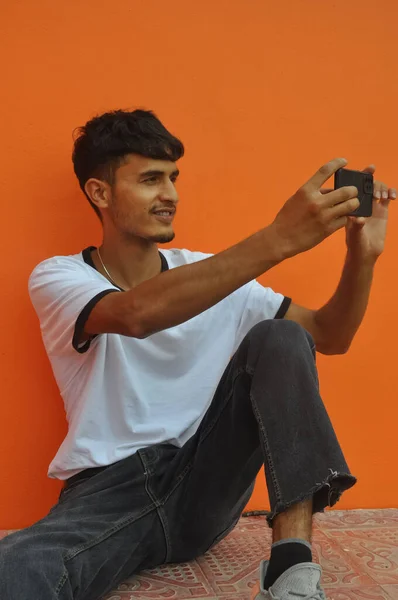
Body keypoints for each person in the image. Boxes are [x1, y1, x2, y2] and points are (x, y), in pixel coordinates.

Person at [0, 109, 395, 600]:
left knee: (282, 339)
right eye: (150, 179)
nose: (170, 195)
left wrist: (363, 258)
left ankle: (292, 571)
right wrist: (280, 238)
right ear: (99, 193)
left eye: (172, 178)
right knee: (17, 565)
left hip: (203, 483)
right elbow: (136, 315)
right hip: (108, 492)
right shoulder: (60, 277)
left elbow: (328, 336)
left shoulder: (214, 274)